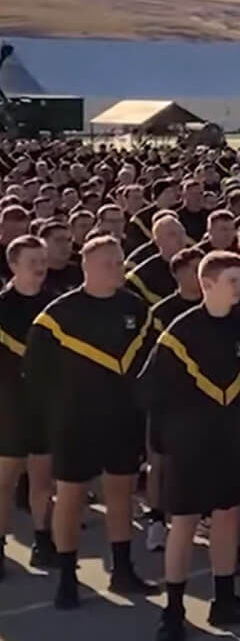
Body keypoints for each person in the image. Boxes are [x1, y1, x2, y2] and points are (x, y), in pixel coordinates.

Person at [139, 251, 240, 639]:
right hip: (190, 442)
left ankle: (224, 600)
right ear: (207, 284)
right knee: (185, 522)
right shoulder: (181, 332)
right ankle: (174, 611)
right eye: (232, 281)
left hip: (232, 439)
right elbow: (151, 391)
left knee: (227, 516)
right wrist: (166, 439)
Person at [25, 234, 156, 608]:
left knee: (120, 493)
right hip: (75, 422)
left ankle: (123, 569)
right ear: (87, 267)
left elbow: (149, 363)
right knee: (71, 496)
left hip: (122, 419)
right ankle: (67, 577)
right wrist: (59, 411)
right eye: (108, 263)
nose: (117, 268)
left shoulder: (136, 308)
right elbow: (36, 372)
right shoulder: (57, 316)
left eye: (119, 261)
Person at [0, 235, 55, 576]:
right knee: (4, 482)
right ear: (13, 265)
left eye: (42, 260)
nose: (40, 267)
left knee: (42, 481)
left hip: (44, 407)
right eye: (32, 261)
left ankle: (42, 541)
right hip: (7, 406)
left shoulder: (55, 306)